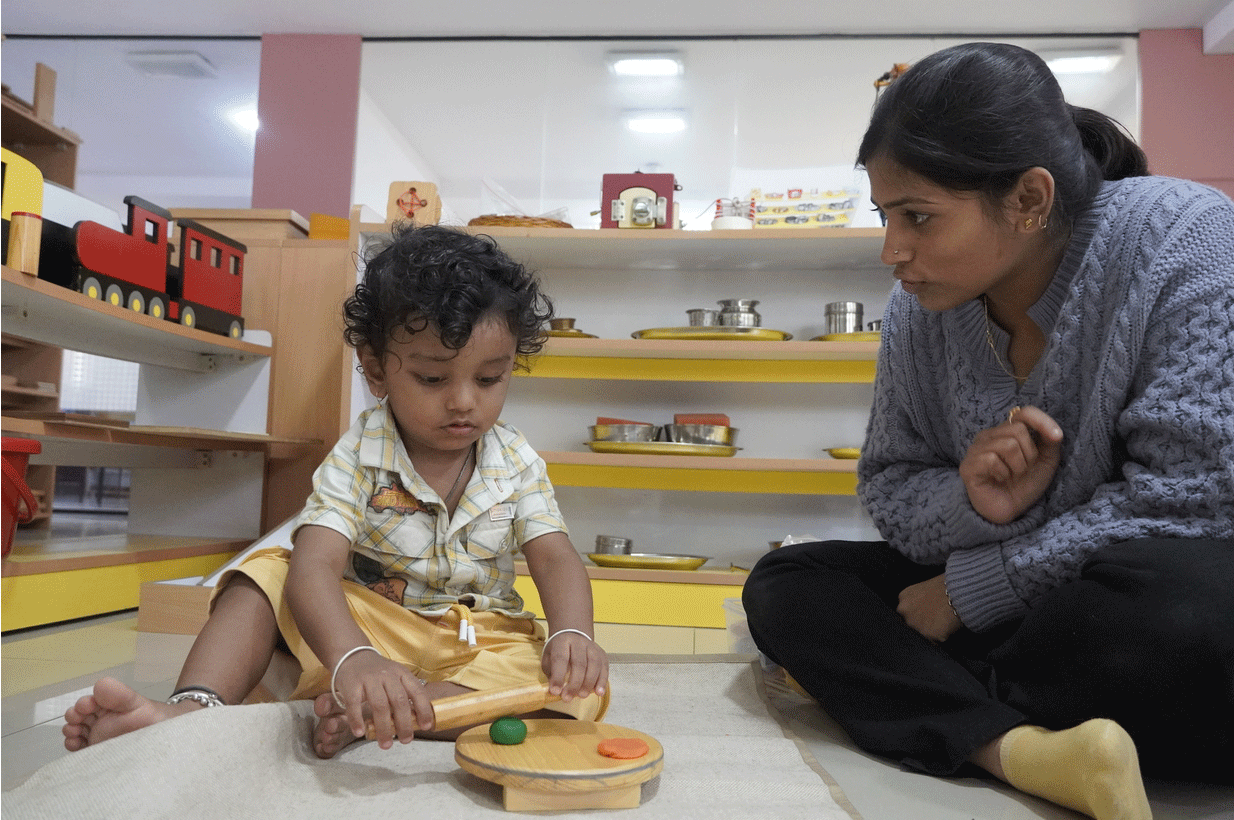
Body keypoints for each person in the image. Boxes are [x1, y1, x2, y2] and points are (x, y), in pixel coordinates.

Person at [743, 42, 1233, 820]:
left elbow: (1195, 498)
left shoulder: (1187, 238)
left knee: (1183, 616)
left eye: (918, 217)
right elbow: (891, 487)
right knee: (789, 584)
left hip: (1124, 606)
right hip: (1031, 625)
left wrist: (977, 590)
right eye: (884, 215)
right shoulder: (918, 308)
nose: (892, 251)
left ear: (1029, 199)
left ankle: (933, 703)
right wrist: (971, 501)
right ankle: (1022, 750)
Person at [64, 224, 610, 759]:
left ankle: (380, 713)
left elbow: (555, 558)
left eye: (489, 380)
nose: (464, 401)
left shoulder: (516, 460)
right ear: (376, 371)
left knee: (578, 693)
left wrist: (573, 634)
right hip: (367, 626)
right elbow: (315, 565)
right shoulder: (358, 454)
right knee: (266, 574)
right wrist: (353, 657)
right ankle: (191, 710)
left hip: (479, 641)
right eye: (432, 379)